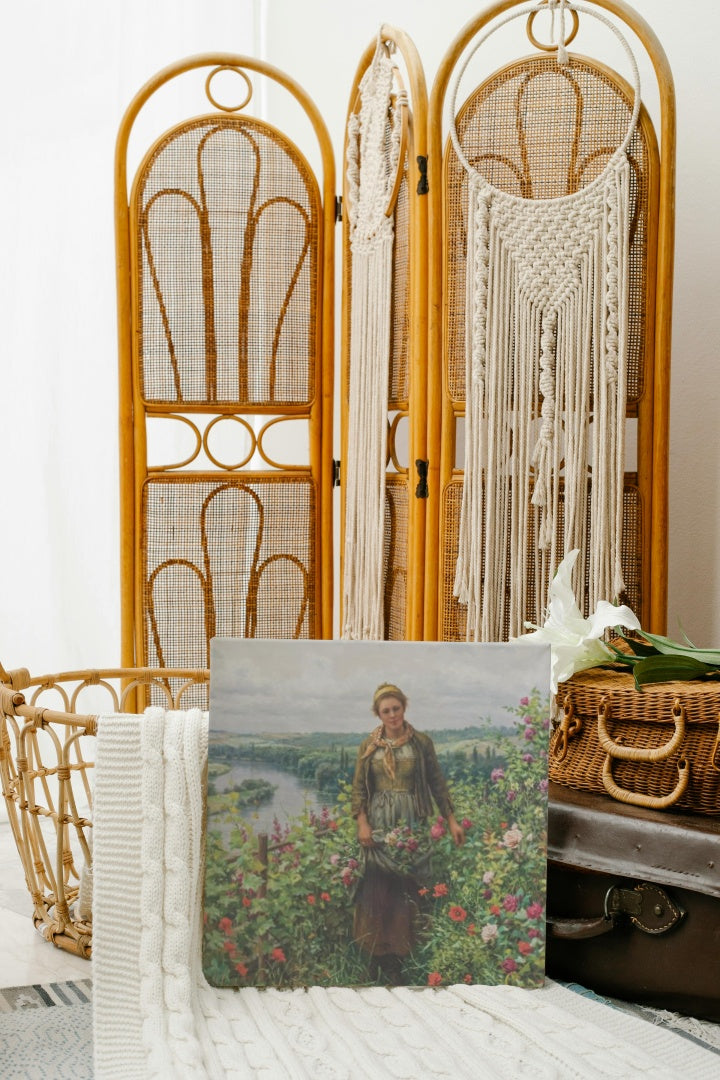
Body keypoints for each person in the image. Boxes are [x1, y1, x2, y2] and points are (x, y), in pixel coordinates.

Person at [351, 682, 465, 985]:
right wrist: (363, 823)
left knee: (404, 890)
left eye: (396, 708)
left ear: (404, 707)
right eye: (385, 710)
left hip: (411, 823)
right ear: (378, 714)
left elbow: (437, 784)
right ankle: (374, 957)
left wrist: (451, 820)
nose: (392, 715)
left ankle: (397, 961)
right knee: (377, 890)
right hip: (378, 824)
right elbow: (359, 789)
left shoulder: (421, 744)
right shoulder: (368, 746)